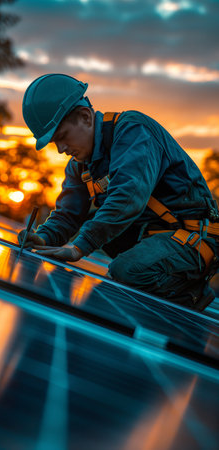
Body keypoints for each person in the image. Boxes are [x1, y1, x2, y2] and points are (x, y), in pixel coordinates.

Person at [18, 73, 219, 311]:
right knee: (96, 223)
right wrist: (43, 238)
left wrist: (79, 247)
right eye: (54, 143)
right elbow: (67, 214)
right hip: (154, 236)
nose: (61, 149)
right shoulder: (80, 166)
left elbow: (128, 197)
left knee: (126, 270)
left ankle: (189, 296)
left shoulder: (133, 130)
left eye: (62, 137)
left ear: (85, 117)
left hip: (193, 239)